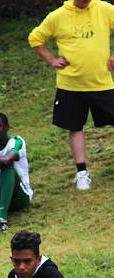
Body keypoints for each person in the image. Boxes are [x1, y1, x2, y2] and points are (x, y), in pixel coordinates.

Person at [28, 0, 114, 190]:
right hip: (71, 85)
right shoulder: (57, 16)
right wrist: (51, 59)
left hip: (102, 82)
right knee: (75, 127)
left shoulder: (105, 9)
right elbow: (35, 38)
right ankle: (82, 173)